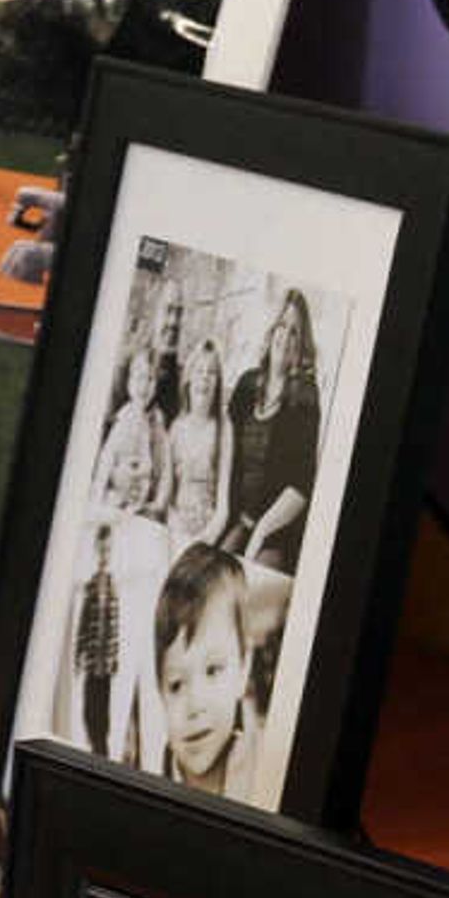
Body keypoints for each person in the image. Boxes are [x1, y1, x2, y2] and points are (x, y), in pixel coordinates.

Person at [150, 540, 262, 801]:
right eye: (176, 684)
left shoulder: (264, 773)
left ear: (243, 668)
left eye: (213, 670)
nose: (195, 705)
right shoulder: (146, 773)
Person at [221, 290, 320, 578]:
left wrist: (260, 533)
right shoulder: (247, 384)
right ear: (272, 329)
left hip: (276, 530)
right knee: (215, 575)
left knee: (252, 579)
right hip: (239, 518)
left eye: (294, 333)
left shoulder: (305, 397)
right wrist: (226, 519)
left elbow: (302, 485)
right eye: (282, 326)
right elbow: (227, 457)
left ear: (301, 346)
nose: (285, 337)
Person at [161, 334, 228, 549]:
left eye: (212, 372)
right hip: (176, 526)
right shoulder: (176, 429)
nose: (205, 378)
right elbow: (167, 497)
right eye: (199, 371)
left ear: (217, 383)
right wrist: (175, 528)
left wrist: (204, 540)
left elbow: (223, 508)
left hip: (208, 532)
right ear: (189, 379)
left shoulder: (224, 428)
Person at [66, 522, 125, 755]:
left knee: (103, 711)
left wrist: (115, 657)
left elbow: (115, 624)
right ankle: (93, 745)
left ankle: (101, 750)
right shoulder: (91, 585)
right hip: (92, 660)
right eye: (101, 550)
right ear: (95, 550)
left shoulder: (113, 585)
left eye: (108, 550)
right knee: (90, 710)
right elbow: (83, 622)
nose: (104, 555)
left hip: (106, 662)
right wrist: (79, 655)